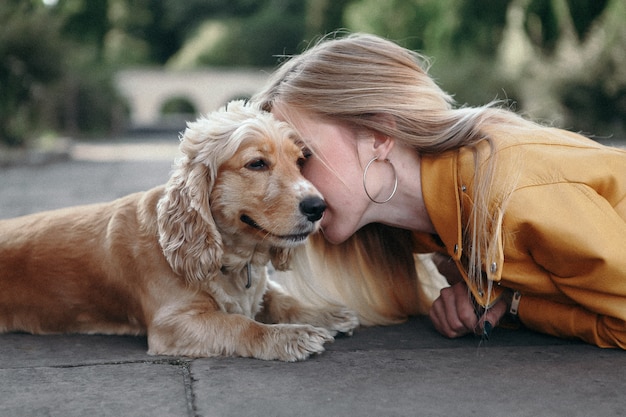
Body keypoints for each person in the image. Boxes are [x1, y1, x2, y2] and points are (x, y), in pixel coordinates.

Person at [251, 32, 626, 348]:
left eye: (302, 155)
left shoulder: (513, 197)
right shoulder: (431, 231)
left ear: (380, 136)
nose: (289, 187)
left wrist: (513, 305)